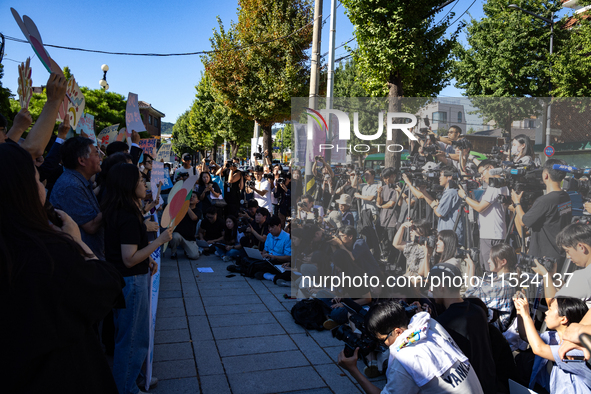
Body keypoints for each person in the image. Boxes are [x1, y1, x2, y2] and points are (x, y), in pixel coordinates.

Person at [0, 142, 124, 394]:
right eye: (37, 179)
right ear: (20, 189)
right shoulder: (47, 254)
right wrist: (76, 242)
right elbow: (104, 289)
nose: (44, 186)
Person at [101, 163, 173, 394]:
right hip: (131, 280)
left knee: (128, 335)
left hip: (125, 279)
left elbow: (130, 251)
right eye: (141, 180)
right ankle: (127, 388)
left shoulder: (120, 210)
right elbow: (129, 258)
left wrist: (148, 259)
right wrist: (159, 242)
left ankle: (133, 379)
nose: (144, 184)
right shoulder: (128, 216)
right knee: (133, 339)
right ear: (129, 185)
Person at [338, 301, 484, 394]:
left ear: (397, 331)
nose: (385, 345)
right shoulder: (430, 325)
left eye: (383, 341)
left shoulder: (404, 361)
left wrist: (353, 369)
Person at [429, 263, 497, 394]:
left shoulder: (441, 323)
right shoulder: (478, 310)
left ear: (441, 286)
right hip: (489, 383)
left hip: (469, 387)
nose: (430, 290)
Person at [514, 296, 591, 393]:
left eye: (550, 309)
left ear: (563, 319)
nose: (546, 312)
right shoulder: (552, 336)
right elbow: (525, 335)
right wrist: (520, 312)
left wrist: (526, 316)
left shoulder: (577, 349)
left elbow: (539, 348)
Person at [50, 137, 105, 260]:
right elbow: (91, 226)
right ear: (81, 160)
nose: (100, 158)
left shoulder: (79, 181)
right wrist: (115, 200)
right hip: (81, 261)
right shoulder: (71, 186)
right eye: (96, 153)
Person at [512, 158, 572, 265]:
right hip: (559, 253)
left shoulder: (544, 201)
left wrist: (517, 203)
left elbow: (523, 221)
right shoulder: (566, 196)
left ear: (545, 175)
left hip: (543, 258)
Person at [458, 160, 510, 271]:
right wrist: (470, 196)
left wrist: (464, 197)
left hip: (491, 235)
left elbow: (479, 208)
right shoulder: (500, 184)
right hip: (493, 233)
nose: (481, 177)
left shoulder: (495, 186)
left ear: (491, 167)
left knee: (490, 269)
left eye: (482, 173)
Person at [533, 223, 591, 308]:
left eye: (567, 251)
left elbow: (555, 307)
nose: (568, 257)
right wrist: (554, 277)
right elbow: (572, 293)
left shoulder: (582, 277)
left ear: (581, 247)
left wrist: (545, 276)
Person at [464, 243, 519, 332]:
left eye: (491, 258)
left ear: (503, 262)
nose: (488, 261)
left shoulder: (504, 285)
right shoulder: (501, 279)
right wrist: (469, 265)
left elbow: (469, 294)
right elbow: (470, 285)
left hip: (495, 331)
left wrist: (472, 266)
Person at [421, 166, 465, 246]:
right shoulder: (448, 191)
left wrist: (435, 206)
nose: (439, 178)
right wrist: (424, 192)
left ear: (449, 177)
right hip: (447, 234)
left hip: (450, 235)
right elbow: (434, 205)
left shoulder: (450, 192)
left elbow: (439, 213)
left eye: (441, 175)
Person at [170, 192, 200, 259]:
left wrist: (186, 206)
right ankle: (173, 252)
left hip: (189, 238)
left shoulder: (198, 210)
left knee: (194, 256)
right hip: (179, 235)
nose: (191, 198)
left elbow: (194, 218)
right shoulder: (180, 208)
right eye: (190, 196)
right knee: (174, 236)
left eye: (194, 196)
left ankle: (187, 250)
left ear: (197, 201)